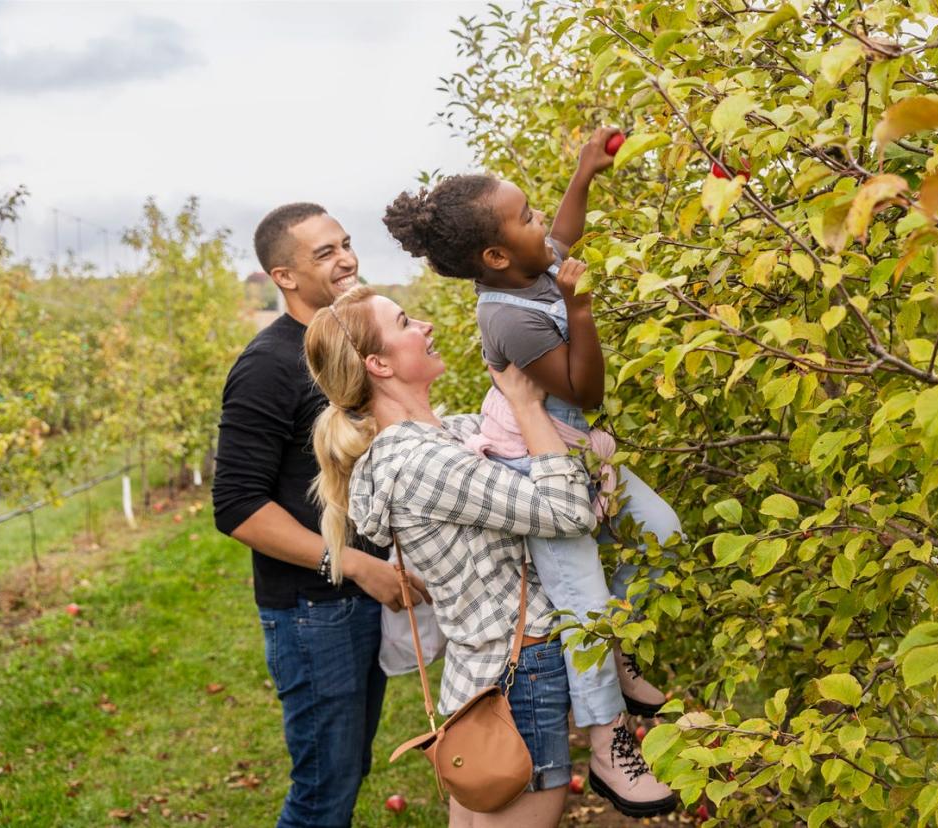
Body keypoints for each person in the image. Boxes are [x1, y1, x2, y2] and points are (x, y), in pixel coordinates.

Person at [380, 128, 680, 817]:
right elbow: (583, 391)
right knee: (584, 611)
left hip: (581, 454)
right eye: (527, 217)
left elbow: (563, 237)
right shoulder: (507, 318)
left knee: (663, 532)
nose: (542, 221)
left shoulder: (529, 266)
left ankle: (623, 654)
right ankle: (609, 748)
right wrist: (580, 308)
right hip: (538, 473)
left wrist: (585, 174)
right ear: (494, 254)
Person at [304, 285, 600, 827]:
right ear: (378, 363)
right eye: (404, 322)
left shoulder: (444, 436)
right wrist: (528, 405)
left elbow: (499, 442)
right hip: (517, 673)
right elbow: (568, 511)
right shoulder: (421, 461)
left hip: (481, 676)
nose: (425, 326)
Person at [212, 203, 428, 828]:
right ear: (283, 276)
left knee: (346, 769)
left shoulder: (345, 348)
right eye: (325, 253)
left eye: (347, 244)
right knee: (322, 792)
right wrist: (358, 565)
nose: (348, 260)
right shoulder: (269, 366)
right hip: (314, 610)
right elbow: (237, 506)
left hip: (356, 597)